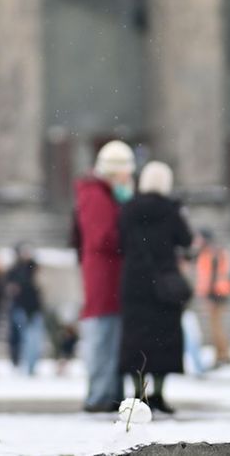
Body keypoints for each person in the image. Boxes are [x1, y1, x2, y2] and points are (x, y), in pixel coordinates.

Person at [118, 161, 194, 415]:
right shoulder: (171, 210)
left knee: (136, 340)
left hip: (135, 283)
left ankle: (138, 394)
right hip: (164, 285)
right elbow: (187, 239)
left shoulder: (128, 208)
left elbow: (120, 241)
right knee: (164, 340)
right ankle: (159, 393)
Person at [72, 139, 134, 412]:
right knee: (102, 340)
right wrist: (132, 234)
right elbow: (102, 238)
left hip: (110, 278)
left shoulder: (103, 194)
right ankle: (100, 396)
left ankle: (109, 394)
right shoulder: (96, 195)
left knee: (110, 340)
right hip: (104, 279)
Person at [194, 228, 230, 368]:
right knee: (217, 326)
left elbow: (211, 277)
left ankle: (222, 355)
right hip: (219, 292)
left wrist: (208, 296)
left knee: (216, 327)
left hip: (216, 294)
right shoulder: (216, 251)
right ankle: (223, 354)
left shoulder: (211, 253)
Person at [6, 243, 46, 376]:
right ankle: (27, 366)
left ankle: (32, 365)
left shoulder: (33, 268)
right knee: (27, 339)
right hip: (22, 309)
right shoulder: (16, 270)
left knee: (35, 340)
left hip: (34, 308)